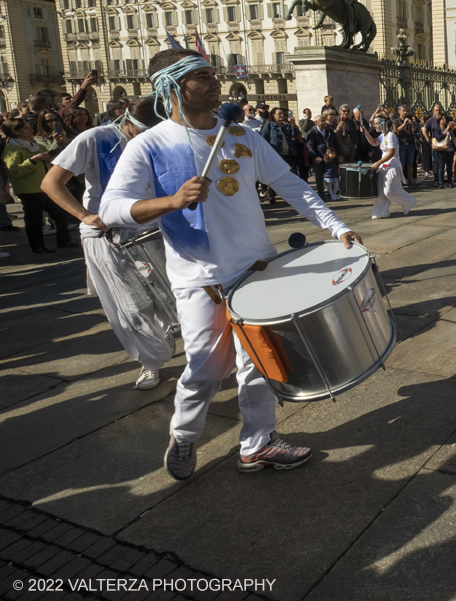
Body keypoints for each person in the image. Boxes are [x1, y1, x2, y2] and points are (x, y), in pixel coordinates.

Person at [99, 48, 362, 479]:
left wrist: (335, 226)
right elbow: (111, 210)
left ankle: (257, 445)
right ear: (172, 86)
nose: (215, 80)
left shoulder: (241, 136)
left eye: (212, 72)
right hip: (200, 277)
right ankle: (184, 436)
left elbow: (290, 185)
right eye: (202, 75)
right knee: (204, 370)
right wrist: (171, 201)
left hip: (257, 268)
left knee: (257, 364)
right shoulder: (149, 144)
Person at [41, 95, 176, 390]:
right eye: (142, 133)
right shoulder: (94, 138)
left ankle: (164, 334)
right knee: (131, 303)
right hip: (106, 234)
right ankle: (150, 360)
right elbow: (51, 182)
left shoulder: (163, 138)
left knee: (169, 296)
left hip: (153, 229)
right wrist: (85, 215)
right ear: (127, 121)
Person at [2, 115, 76, 254]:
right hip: (29, 190)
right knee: (34, 220)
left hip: (45, 187)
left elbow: (47, 154)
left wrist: (56, 143)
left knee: (60, 213)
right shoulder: (12, 149)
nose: (31, 130)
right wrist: (32, 161)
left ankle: (64, 240)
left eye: (30, 127)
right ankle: (38, 246)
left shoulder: (34, 144)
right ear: (15, 131)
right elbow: (14, 171)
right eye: (26, 128)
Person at [367, 115, 416, 219]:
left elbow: (391, 153)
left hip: (392, 166)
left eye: (377, 124)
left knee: (389, 191)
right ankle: (381, 212)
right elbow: (373, 142)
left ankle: (409, 202)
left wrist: (378, 163)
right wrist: (365, 132)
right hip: (383, 167)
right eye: (374, 124)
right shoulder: (382, 136)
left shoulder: (391, 136)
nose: (375, 126)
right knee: (381, 193)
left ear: (384, 124)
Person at [261, 108, 302, 203]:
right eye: (279, 114)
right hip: (276, 155)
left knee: (289, 175)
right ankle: (272, 195)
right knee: (275, 176)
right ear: (273, 115)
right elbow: (264, 140)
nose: (281, 115)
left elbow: (295, 135)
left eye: (283, 114)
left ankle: (288, 195)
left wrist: (293, 124)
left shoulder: (286, 126)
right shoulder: (269, 126)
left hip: (288, 154)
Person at [307, 110, 341, 200]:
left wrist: (339, 154)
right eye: (322, 120)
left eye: (324, 120)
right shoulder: (312, 132)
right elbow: (310, 146)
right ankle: (321, 194)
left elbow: (336, 142)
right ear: (316, 122)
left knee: (332, 175)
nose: (324, 122)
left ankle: (333, 194)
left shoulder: (329, 130)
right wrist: (315, 157)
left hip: (331, 158)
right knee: (319, 176)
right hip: (319, 158)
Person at [422, 103, 452, 188]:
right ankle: (437, 180)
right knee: (436, 163)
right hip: (437, 145)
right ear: (433, 111)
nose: (438, 112)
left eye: (439, 110)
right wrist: (428, 139)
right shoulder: (431, 120)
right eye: (436, 110)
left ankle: (447, 181)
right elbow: (424, 129)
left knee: (447, 164)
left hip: (447, 145)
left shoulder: (446, 119)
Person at [393, 105, 419, 188]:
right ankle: (400, 181)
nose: (405, 113)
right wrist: (404, 124)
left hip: (410, 144)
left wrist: (412, 124)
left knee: (410, 164)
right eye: (403, 111)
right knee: (402, 164)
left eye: (406, 111)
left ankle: (410, 181)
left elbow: (415, 130)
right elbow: (395, 131)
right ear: (399, 111)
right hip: (401, 145)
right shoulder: (396, 121)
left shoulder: (410, 119)